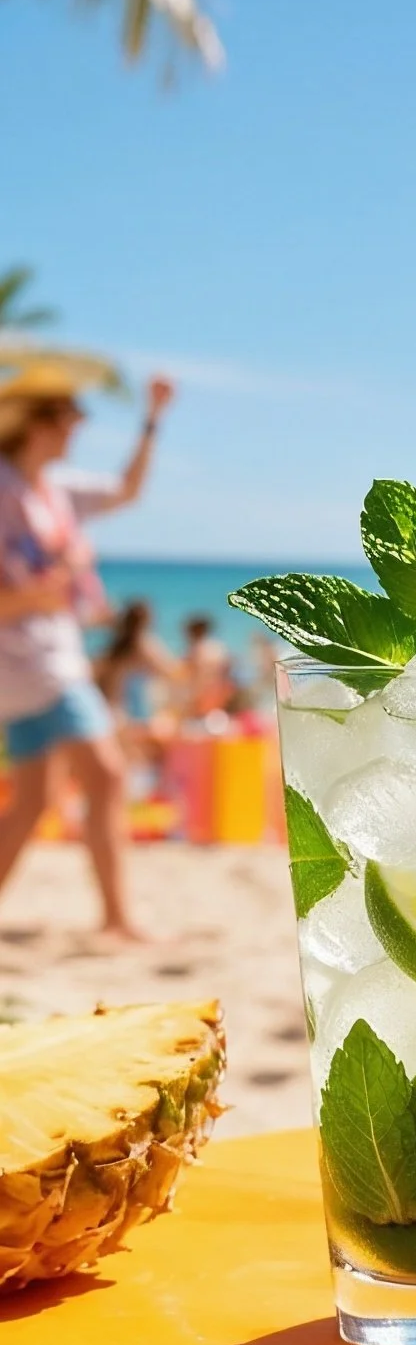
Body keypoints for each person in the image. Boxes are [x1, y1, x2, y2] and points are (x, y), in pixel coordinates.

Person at [0, 373, 175, 939]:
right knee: (106, 775)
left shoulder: (54, 490)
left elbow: (128, 489)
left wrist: (152, 419)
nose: (78, 428)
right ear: (40, 423)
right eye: (71, 417)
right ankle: (118, 918)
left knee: (35, 801)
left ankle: (115, 917)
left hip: (32, 668)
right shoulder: (5, 489)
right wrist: (57, 582)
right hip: (37, 666)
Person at [94, 598, 180, 784]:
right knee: (136, 765)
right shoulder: (143, 643)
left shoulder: (116, 645)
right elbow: (171, 672)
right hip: (125, 715)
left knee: (122, 766)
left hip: (106, 710)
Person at [179, 612, 240, 722]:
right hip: (219, 694)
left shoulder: (194, 650)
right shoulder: (218, 647)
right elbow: (230, 670)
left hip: (202, 697)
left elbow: (188, 677)